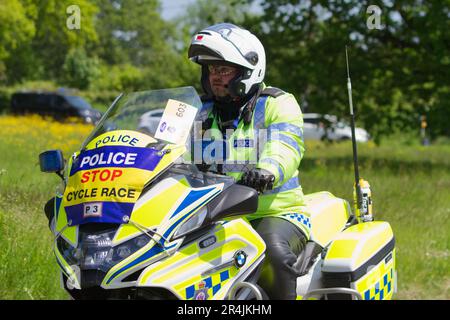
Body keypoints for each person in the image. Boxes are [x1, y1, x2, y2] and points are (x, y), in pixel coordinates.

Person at [188, 23, 310, 300]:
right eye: (210, 70)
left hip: (274, 212)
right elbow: (170, 150)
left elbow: (286, 147)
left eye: (223, 70)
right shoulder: (199, 112)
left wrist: (266, 171)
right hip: (210, 215)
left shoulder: (277, 104)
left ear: (247, 70)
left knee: (273, 252)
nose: (215, 77)